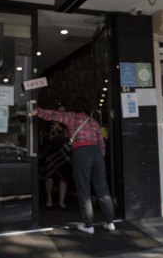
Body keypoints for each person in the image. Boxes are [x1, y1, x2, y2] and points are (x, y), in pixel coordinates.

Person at [31, 97, 116, 234]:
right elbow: (101, 142)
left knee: (84, 188)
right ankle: (110, 222)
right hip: (96, 153)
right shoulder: (93, 122)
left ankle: (89, 225)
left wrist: (38, 111)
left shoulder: (71, 117)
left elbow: (54, 115)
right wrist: (99, 157)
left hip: (81, 152)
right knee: (102, 188)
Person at [41, 104, 72, 209]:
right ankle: (49, 199)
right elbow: (43, 137)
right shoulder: (48, 123)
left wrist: (61, 130)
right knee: (49, 177)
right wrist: (51, 136)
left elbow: (72, 138)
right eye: (59, 111)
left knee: (63, 178)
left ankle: (61, 202)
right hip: (51, 153)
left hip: (64, 154)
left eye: (63, 112)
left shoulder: (69, 123)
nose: (61, 114)